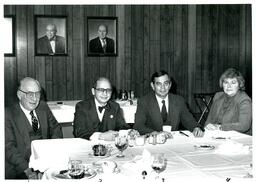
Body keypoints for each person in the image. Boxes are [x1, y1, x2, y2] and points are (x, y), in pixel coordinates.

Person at [5, 77, 63, 179]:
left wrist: (53, 150)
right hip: (20, 167)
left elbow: (56, 128)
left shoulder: (43, 107)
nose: (35, 98)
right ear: (20, 95)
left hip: (45, 162)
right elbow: (8, 148)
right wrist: (28, 170)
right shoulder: (7, 114)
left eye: (37, 93)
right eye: (30, 94)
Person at [134, 70, 204, 137]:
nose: (163, 88)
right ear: (152, 86)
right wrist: (154, 133)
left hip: (173, 141)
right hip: (153, 142)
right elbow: (138, 126)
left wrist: (196, 128)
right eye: (159, 84)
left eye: (166, 83)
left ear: (170, 85)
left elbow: (188, 120)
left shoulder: (179, 100)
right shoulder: (144, 102)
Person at [204, 68, 252, 135]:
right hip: (217, 135)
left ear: (239, 85)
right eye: (226, 82)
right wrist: (208, 126)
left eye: (233, 82)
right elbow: (209, 121)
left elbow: (244, 125)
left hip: (240, 137)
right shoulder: (218, 96)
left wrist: (221, 127)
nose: (229, 86)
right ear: (222, 84)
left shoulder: (244, 100)